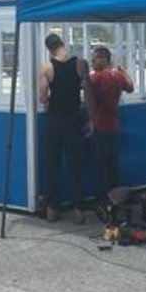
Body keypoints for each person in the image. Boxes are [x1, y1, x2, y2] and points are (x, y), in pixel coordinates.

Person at [38, 33, 94, 223]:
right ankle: (79, 210)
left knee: (52, 166)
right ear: (63, 44)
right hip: (74, 119)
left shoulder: (46, 67)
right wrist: (91, 119)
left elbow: (43, 98)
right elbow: (88, 93)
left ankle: (53, 210)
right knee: (75, 166)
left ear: (49, 48)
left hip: (54, 120)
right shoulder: (81, 63)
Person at [88, 46, 134, 202]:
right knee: (113, 165)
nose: (92, 62)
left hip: (99, 126)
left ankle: (102, 200)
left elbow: (84, 94)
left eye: (95, 59)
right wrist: (123, 70)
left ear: (104, 59)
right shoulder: (118, 76)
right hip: (113, 127)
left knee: (100, 166)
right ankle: (116, 198)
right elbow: (131, 87)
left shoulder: (96, 77)